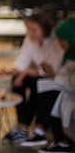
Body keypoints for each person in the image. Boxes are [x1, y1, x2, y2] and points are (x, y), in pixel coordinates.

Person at [0, 12, 64, 144]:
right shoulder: (30, 39)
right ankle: (22, 126)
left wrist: (26, 72)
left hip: (55, 78)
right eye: (28, 29)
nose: (30, 32)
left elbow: (52, 70)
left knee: (37, 84)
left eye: (34, 29)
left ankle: (27, 127)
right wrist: (10, 71)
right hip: (41, 75)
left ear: (44, 28)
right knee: (18, 80)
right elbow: (22, 62)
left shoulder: (55, 41)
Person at [20, 17, 75, 152]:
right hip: (66, 88)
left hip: (69, 91)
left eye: (62, 39)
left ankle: (41, 130)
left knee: (47, 89)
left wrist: (53, 74)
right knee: (41, 84)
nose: (59, 42)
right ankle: (40, 131)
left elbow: (72, 83)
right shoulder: (70, 54)